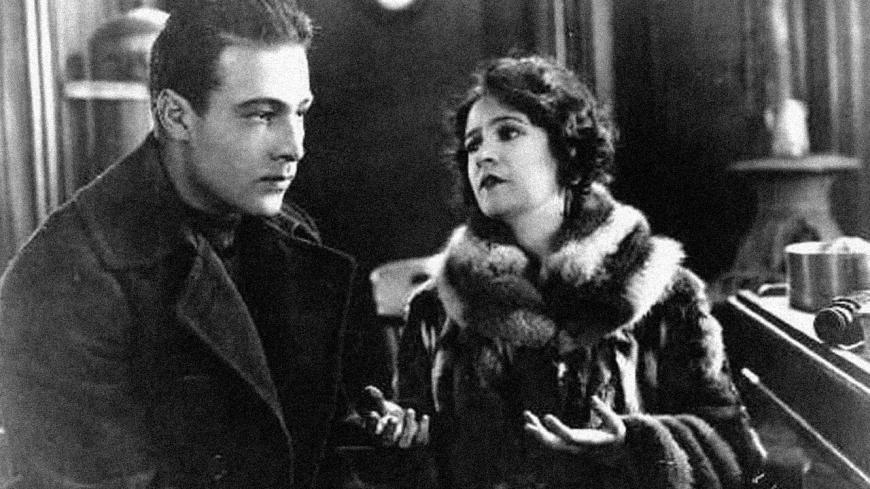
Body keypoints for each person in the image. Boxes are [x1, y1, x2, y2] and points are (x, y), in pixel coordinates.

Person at [0, 1, 425, 488]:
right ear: (175, 116)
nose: (293, 147)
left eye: (300, 112)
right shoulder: (61, 282)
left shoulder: (288, 233)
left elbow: (309, 456)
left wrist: (375, 440)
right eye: (262, 115)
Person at [395, 54, 771, 489]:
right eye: (473, 144)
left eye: (509, 132)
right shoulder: (437, 309)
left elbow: (735, 455)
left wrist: (633, 445)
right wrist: (403, 445)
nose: (484, 156)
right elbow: (418, 468)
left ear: (567, 149)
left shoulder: (664, 293)